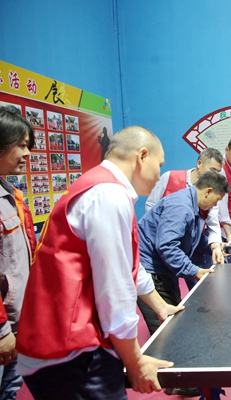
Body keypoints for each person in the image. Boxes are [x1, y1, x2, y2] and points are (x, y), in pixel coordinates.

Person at [16, 126, 184, 399]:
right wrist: (134, 361)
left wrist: (160, 306)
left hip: (67, 345)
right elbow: (115, 289)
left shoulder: (101, 186)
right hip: (72, 353)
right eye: (160, 164)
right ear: (142, 156)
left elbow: (128, 263)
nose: (159, 175)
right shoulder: (108, 195)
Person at [137, 171, 229, 335]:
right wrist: (194, 270)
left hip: (163, 269)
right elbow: (167, 246)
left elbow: (190, 237)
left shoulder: (192, 204)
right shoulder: (181, 207)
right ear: (208, 191)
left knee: (176, 321)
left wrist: (213, 247)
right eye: (217, 200)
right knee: (165, 332)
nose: (216, 204)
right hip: (151, 271)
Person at [0, 108, 36, 400]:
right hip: (4, 328)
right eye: (21, 145)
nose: (27, 153)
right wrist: (1, 331)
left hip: (16, 323)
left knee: (10, 391)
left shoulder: (11, 195)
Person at [145, 148, 225, 277]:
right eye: (212, 170)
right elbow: (151, 205)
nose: (215, 175)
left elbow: (211, 223)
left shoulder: (208, 195)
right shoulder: (171, 182)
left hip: (188, 244)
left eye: (218, 172)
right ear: (199, 163)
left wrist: (215, 246)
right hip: (160, 252)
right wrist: (166, 228)